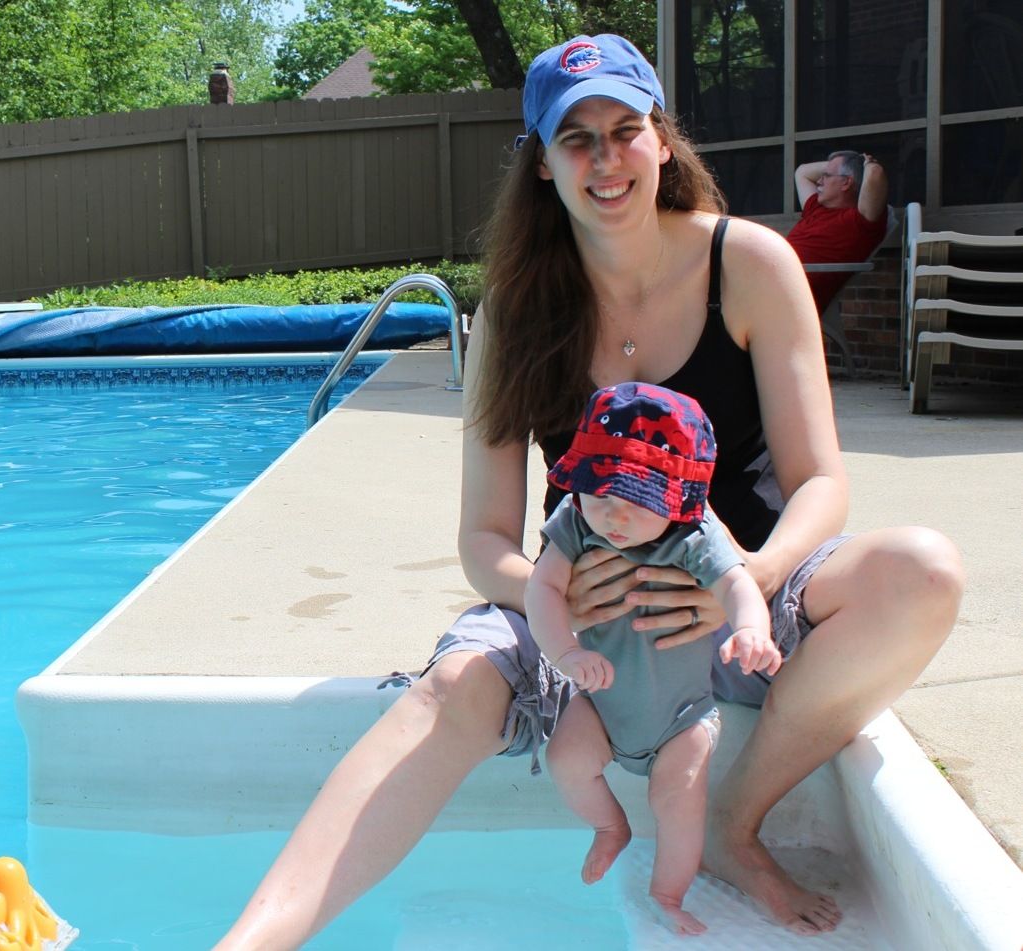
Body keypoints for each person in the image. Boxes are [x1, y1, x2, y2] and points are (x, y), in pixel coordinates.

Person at [215, 33, 962, 949]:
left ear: (662, 140)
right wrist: (555, 594)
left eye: (624, 130)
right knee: (452, 684)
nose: (606, 159)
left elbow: (821, 482)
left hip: (740, 598)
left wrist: (752, 580)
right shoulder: (517, 310)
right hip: (580, 609)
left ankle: (732, 824)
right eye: (576, 139)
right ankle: (251, 941)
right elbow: (485, 538)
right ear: (542, 163)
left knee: (923, 570)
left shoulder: (750, 265)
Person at [528, 381, 781, 936]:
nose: (614, 517)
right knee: (566, 760)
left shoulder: (693, 533)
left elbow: (738, 583)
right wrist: (567, 652)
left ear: (678, 499)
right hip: (600, 703)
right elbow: (541, 588)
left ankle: (668, 892)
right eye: (601, 494)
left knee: (677, 800)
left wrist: (750, 630)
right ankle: (609, 826)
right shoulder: (576, 519)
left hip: (681, 717)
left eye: (637, 502)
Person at [785, 151, 889, 312]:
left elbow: (875, 173)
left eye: (826, 176)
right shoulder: (815, 207)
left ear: (846, 182)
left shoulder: (860, 221)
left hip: (790, 291)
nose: (819, 181)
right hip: (768, 277)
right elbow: (802, 171)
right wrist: (846, 166)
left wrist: (866, 164)